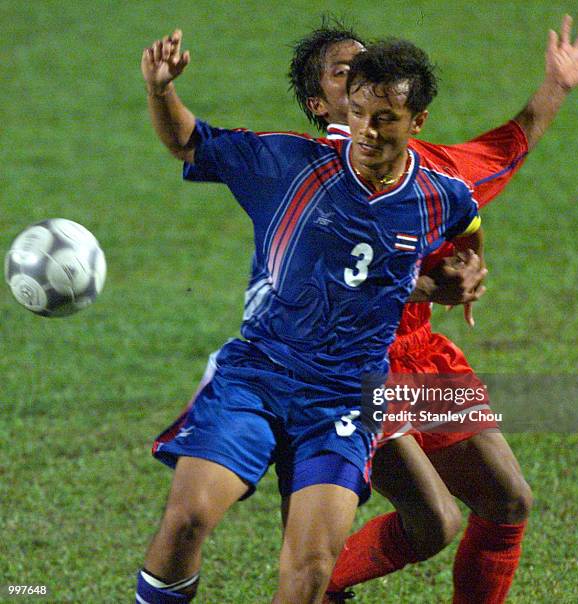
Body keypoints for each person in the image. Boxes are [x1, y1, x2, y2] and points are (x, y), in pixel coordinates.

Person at [138, 34, 483, 604]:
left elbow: (464, 226)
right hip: (259, 375)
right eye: (359, 115)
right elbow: (186, 140)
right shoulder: (288, 163)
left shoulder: (439, 196)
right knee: (187, 521)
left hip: (344, 399)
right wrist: (161, 88)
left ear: (416, 121)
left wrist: (462, 277)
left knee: (312, 572)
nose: (368, 132)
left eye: (385, 119)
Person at [287, 15, 578, 603]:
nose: (365, 77)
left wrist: (556, 85)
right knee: (435, 522)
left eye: (370, 65)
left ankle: (318, 589)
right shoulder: (306, 177)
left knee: (507, 501)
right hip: (343, 366)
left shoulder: (433, 169)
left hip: (416, 357)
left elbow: (509, 146)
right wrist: (433, 285)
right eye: (344, 73)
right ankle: (310, 590)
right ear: (319, 103)